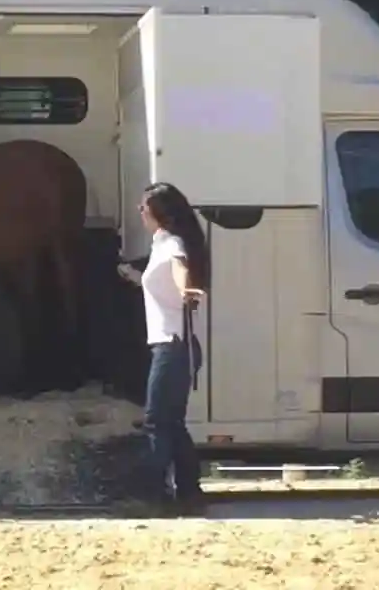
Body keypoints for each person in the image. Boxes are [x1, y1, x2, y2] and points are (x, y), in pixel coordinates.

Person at [116, 182, 210, 515]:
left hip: (172, 346)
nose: (140, 212)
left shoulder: (172, 243)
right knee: (173, 423)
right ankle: (189, 492)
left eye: (143, 207)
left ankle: (153, 496)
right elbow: (160, 281)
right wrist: (133, 276)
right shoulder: (160, 243)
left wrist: (187, 289)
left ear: (158, 212)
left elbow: (179, 267)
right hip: (175, 345)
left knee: (156, 422)